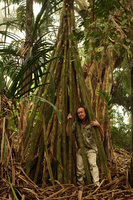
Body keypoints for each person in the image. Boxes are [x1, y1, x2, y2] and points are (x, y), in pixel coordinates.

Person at [66, 106, 104, 187]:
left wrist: (99, 125)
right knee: (79, 168)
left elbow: (102, 136)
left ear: (85, 113)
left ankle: (96, 184)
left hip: (91, 149)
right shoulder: (76, 124)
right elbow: (68, 133)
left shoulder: (92, 123)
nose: (80, 114)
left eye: (81, 112)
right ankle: (80, 185)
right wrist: (68, 121)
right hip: (81, 150)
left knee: (93, 164)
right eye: (78, 113)